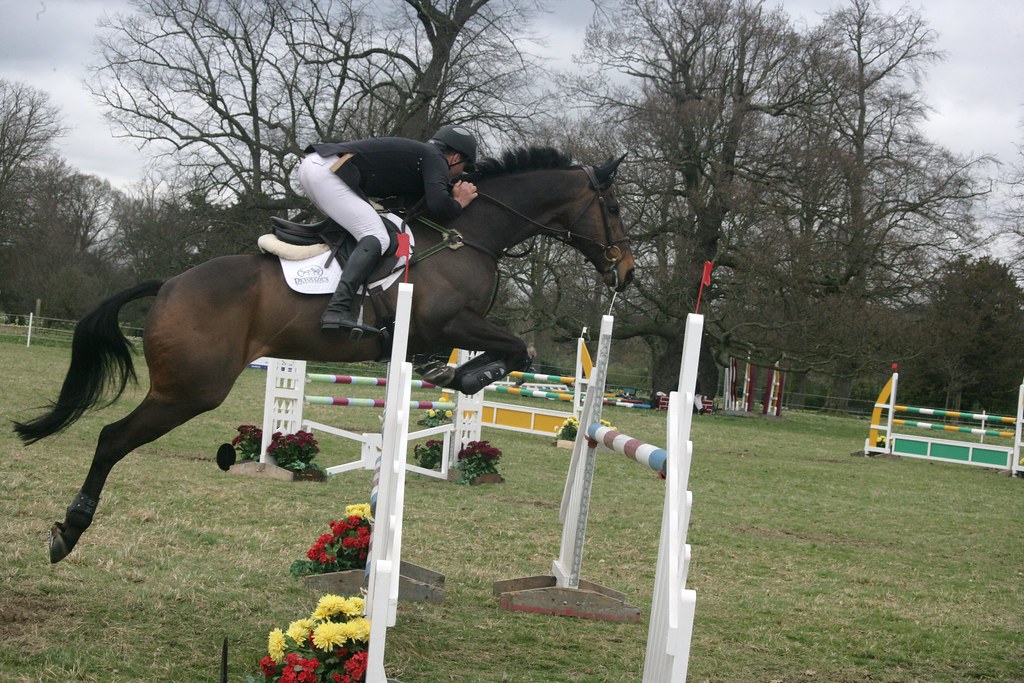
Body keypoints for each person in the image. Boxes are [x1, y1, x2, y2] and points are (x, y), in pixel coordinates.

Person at [298, 125, 479, 334]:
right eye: (463, 168)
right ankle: (336, 310)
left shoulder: (423, 157)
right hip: (326, 170)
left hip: (320, 167)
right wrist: (458, 202)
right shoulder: (435, 158)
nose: (459, 175)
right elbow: (438, 205)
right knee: (377, 237)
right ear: (455, 157)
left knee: (370, 230)